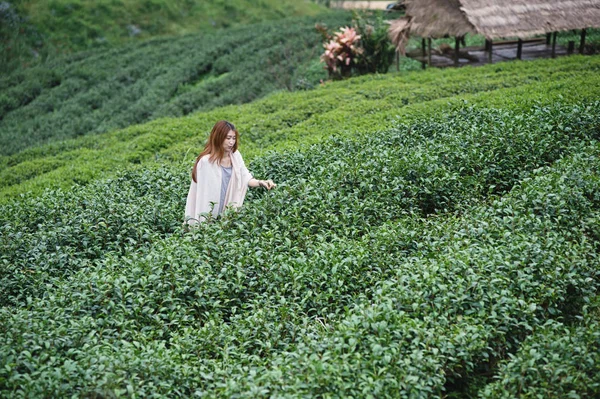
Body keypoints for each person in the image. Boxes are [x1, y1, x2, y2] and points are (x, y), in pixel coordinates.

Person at [185, 120, 276, 224]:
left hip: (227, 213)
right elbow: (202, 194)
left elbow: (245, 177)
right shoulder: (206, 162)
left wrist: (261, 183)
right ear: (218, 138)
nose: (231, 142)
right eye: (228, 138)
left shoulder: (235, 156)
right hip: (209, 213)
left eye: (233, 138)